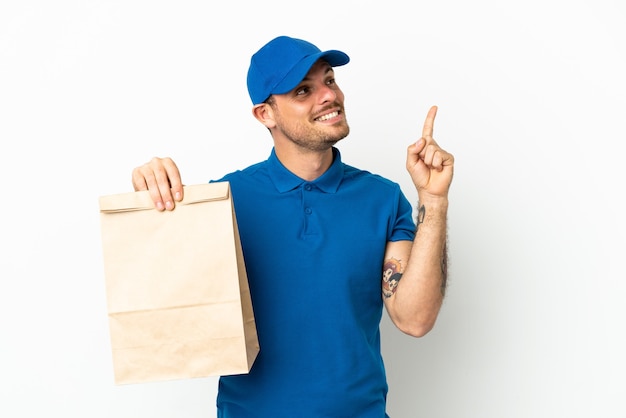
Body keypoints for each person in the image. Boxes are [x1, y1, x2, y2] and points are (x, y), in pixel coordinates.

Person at [132, 35, 454, 418]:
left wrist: (433, 202)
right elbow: (170, 307)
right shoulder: (224, 200)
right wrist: (151, 198)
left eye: (329, 80)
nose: (328, 96)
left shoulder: (382, 198)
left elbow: (414, 319)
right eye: (304, 90)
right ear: (265, 114)